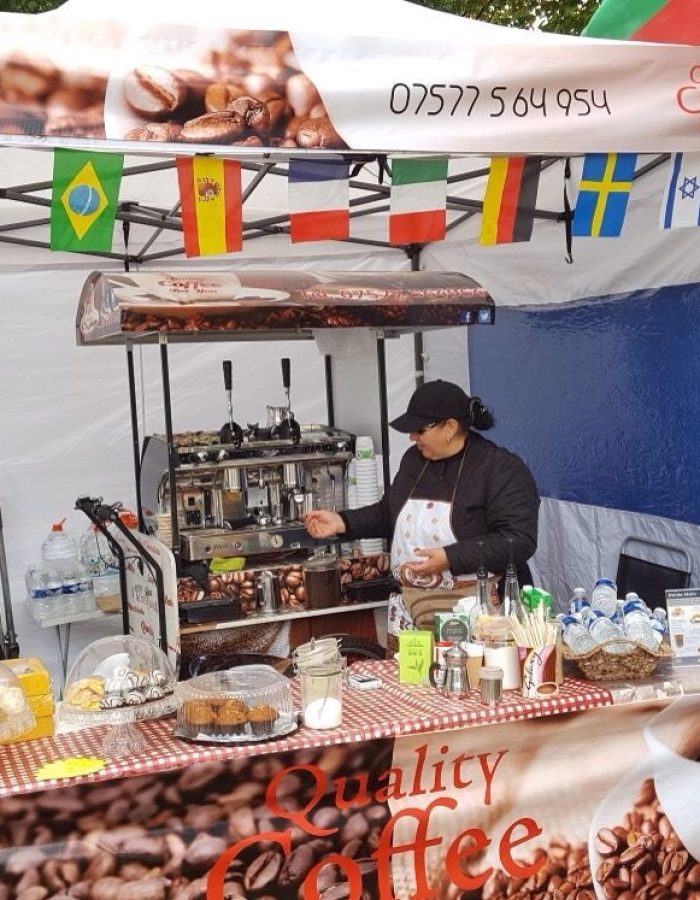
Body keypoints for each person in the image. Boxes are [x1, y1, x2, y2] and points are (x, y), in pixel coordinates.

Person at [304, 379, 540, 653]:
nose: (412, 437)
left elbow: (518, 539)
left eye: (419, 430)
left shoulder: (500, 469)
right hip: (413, 609)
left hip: (481, 616)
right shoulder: (414, 460)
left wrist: (450, 557)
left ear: (449, 428)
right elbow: (388, 512)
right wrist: (343, 522)